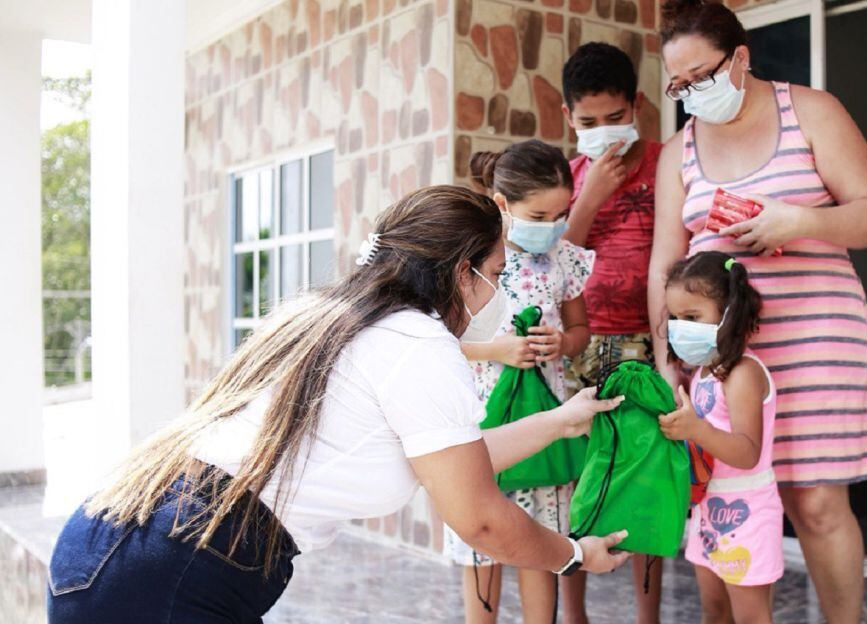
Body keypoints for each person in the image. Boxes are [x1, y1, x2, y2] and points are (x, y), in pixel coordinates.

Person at [47, 185, 632, 624]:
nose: (497, 292)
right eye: (496, 274)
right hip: (176, 569)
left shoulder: (329, 314)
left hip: (112, 542)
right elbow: (480, 518)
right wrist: (572, 554)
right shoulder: (418, 342)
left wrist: (562, 420)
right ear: (462, 272)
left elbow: (458, 462)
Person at [649, 2, 867, 622]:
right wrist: (666, 356)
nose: (690, 93)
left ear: (741, 57)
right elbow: (664, 264)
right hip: (723, 353)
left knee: (815, 503)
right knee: (724, 491)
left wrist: (799, 221)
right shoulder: (678, 150)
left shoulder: (812, 111)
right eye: (679, 84)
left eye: (701, 76)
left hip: (815, 336)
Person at [444, 140, 595, 623]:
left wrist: (563, 343)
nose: (551, 225)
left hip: (543, 425)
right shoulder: (467, 260)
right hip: (479, 425)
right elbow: (439, 341)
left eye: (561, 214)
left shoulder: (564, 259)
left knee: (540, 543)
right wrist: (495, 349)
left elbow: (581, 330)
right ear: (502, 204)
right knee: (480, 542)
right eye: (539, 215)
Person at [559, 41, 667, 624]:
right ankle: (574, 614)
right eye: (588, 122)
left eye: (615, 118)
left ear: (638, 106)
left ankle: (647, 617)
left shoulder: (666, 164)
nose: (603, 132)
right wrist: (591, 197)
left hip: (649, 347)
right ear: (568, 118)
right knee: (580, 482)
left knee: (642, 482)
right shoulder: (567, 177)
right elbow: (550, 267)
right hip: (581, 348)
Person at [659, 252, 780, 624]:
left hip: (748, 512)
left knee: (750, 617)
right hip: (708, 511)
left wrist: (697, 429)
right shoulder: (704, 374)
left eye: (692, 318)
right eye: (675, 318)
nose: (680, 328)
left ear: (729, 312)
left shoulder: (742, 373)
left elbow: (747, 452)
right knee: (713, 611)